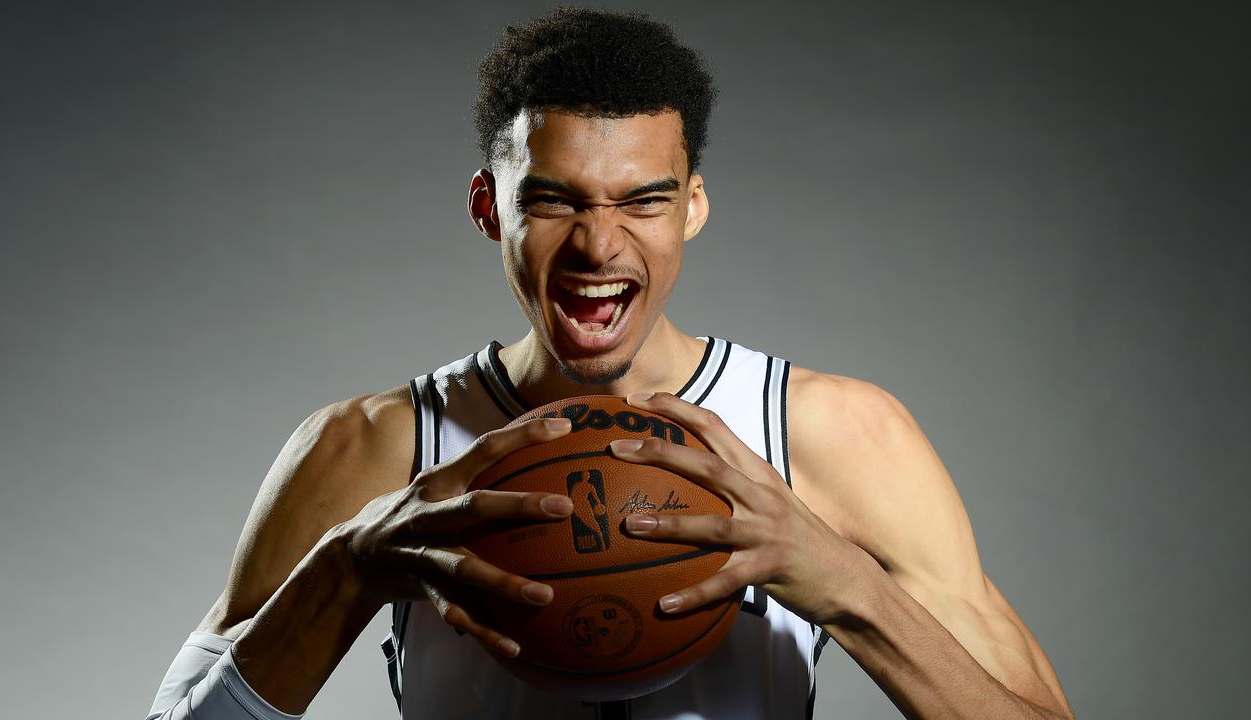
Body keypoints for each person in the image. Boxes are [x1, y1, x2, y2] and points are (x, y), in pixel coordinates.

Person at [147, 7, 1073, 720]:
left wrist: (849, 587)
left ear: (692, 207)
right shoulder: (379, 449)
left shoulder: (834, 435)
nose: (599, 244)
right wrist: (346, 570)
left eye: (642, 200)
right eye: (553, 201)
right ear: (487, 206)